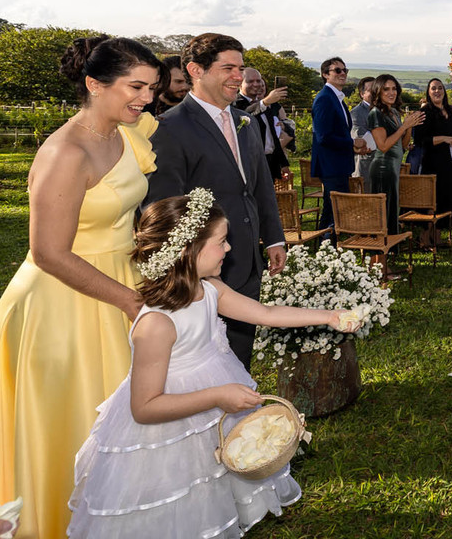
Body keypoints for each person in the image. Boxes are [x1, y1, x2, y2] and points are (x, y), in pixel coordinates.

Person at [68, 191, 355, 536]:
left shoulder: (209, 289)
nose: (229, 249)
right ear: (188, 251)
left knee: (213, 482)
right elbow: (144, 407)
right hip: (168, 426)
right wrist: (217, 397)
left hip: (214, 396)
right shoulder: (156, 325)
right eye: (221, 242)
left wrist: (329, 316)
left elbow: (266, 313)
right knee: (178, 501)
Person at [0, 36, 162, 539]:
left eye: (153, 88)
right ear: (94, 83)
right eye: (136, 86)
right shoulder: (65, 151)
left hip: (120, 284)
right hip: (64, 305)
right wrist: (131, 301)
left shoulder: (125, 131)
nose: (147, 99)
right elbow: (49, 252)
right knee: (80, 425)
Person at [147, 33, 286, 370]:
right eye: (228, 68)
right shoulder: (168, 127)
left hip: (248, 259)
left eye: (240, 68)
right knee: (203, 361)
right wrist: (190, 268)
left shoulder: (247, 122)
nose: (239, 76)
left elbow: (259, 187)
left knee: (240, 354)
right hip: (202, 270)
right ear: (196, 69)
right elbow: (164, 207)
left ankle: (235, 416)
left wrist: (274, 237)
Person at [312, 57, 367, 231]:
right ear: (325, 74)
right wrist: (351, 142)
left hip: (340, 164)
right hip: (331, 165)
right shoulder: (324, 99)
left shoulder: (338, 99)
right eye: (337, 70)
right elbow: (323, 137)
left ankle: (329, 243)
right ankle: (325, 243)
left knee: (334, 208)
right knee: (332, 209)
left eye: (345, 70)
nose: (342, 73)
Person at [367, 75, 424, 235]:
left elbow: (404, 146)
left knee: (392, 210)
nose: (391, 93)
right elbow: (383, 146)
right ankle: (378, 255)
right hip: (382, 169)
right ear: (378, 91)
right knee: (382, 213)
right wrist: (403, 126)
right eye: (386, 89)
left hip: (393, 169)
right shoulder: (375, 113)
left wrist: (410, 126)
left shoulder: (393, 112)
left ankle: (387, 253)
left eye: (394, 89)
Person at [412, 78, 452, 247]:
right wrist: (443, 139)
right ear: (428, 91)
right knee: (433, 200)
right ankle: (425, 237)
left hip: (450, 164)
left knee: (447, 200)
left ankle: (437, 235)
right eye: (433, 88)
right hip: (433, 163)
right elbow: (419, 140)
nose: (437, 91)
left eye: (440, 88)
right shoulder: (425, 112)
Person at [234, 67, 291, 182]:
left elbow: (273, 137)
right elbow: (245, 114)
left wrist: (283, 164)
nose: (256, 84)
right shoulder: (235, 103)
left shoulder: (264, 105)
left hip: (269, 164)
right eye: (250, 81)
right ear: (240, 84)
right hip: (248, 165)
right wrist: (264, 102)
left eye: (258, 81)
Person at [350, 76, 377, 185]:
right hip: (366, 169)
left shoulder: (386, 111)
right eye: (371, 90)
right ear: (362, 94)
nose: (375, 93)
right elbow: (366, 141)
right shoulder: (356, 113)